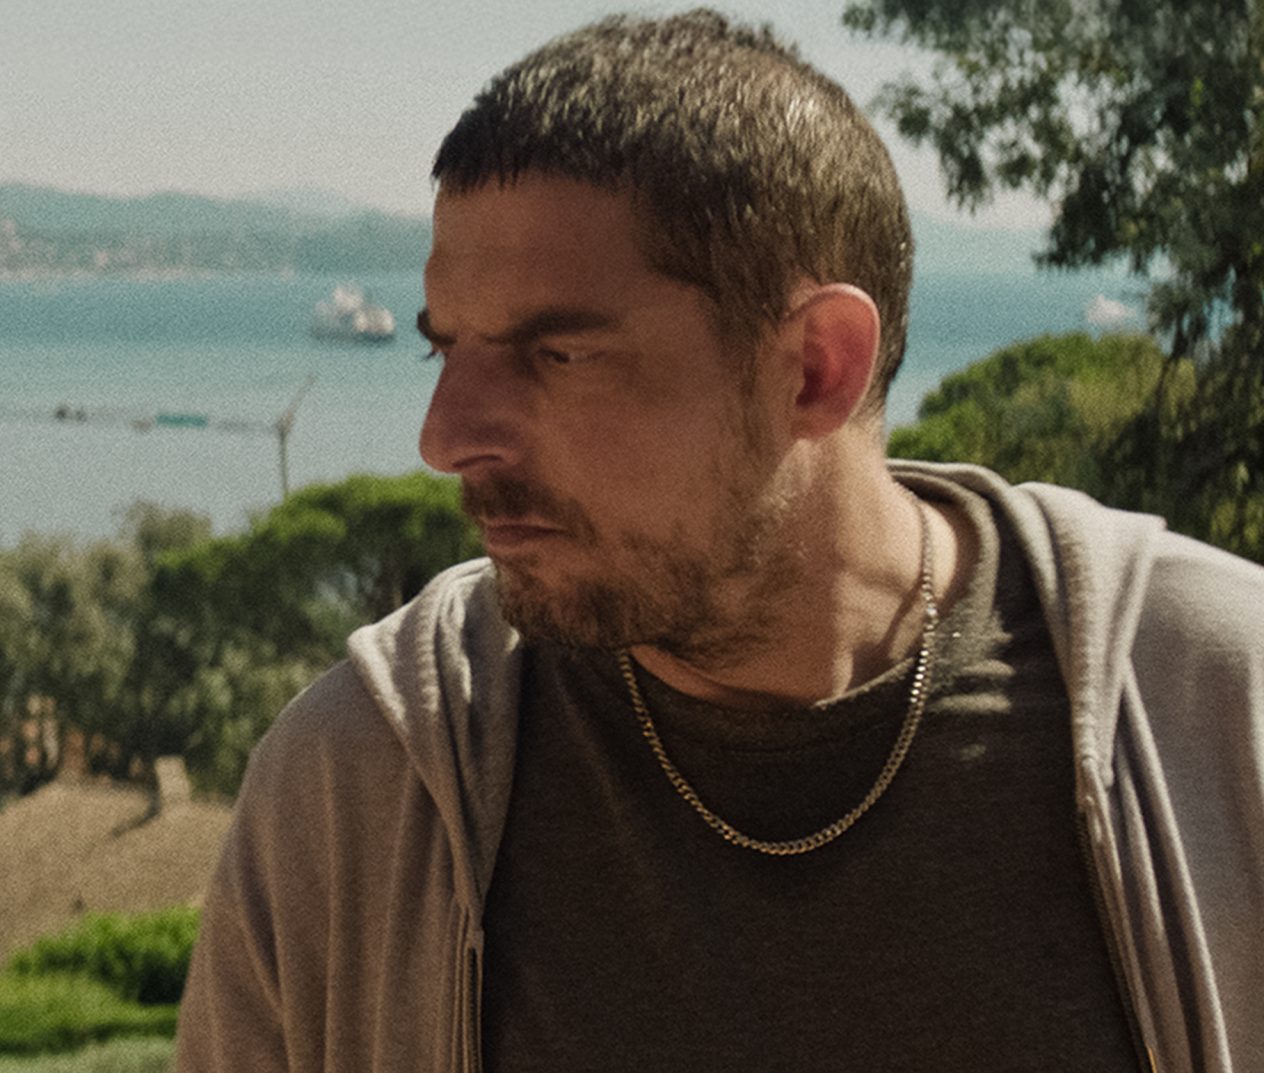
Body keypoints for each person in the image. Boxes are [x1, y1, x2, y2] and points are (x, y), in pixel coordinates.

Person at [177, 11, 1262, 1072]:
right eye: (444, 350)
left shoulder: (1219, 708)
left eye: (559, 355)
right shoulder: (360, 786)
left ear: (816, 368)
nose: (444, 438)